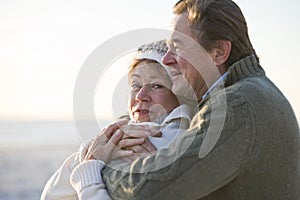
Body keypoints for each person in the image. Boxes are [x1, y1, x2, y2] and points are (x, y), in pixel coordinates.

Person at [69, 0, 300, 199]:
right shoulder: (250, 93)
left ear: (219, 52)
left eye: (178, 47)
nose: (167, 59)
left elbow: (145, 192)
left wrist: (98, 165)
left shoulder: (237, 106)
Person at [41, 40, 195, 200]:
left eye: (157, 86)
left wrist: (88, 158)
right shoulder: (122, 134)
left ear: (180, 95)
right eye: (135, 85)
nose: (140, 96)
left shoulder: (166, 137)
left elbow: (52, 194)